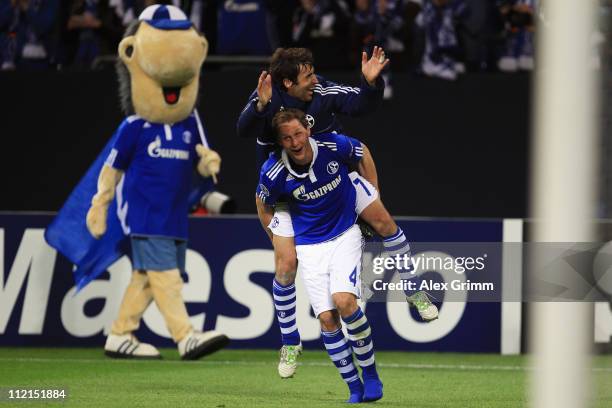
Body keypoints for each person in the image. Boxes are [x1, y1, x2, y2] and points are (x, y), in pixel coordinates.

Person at [238, 46, 438, 378]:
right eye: (307, 76)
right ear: (287, 83)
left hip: (335, 180)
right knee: (286, 265)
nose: (314, 80)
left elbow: (360, 107)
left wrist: (371, 84)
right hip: (289, 195)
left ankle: (414, 290)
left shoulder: (323, 92)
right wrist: (259, 105)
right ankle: (290, 342)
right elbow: (243, 131)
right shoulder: (267, 97)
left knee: (384, 222)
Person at [256, 109, 385, 403]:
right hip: (308, 243)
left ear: (308, 130)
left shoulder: (330, 142)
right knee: (327, 319)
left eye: (298, 134)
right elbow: (262, 203)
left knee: (345, 302)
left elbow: (362, 150)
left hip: (343, 234)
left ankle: (372, 375)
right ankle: (353, 386)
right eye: (287, 138)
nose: (294, 141)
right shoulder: (274, 171)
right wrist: (276, 239)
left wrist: (372, 195)